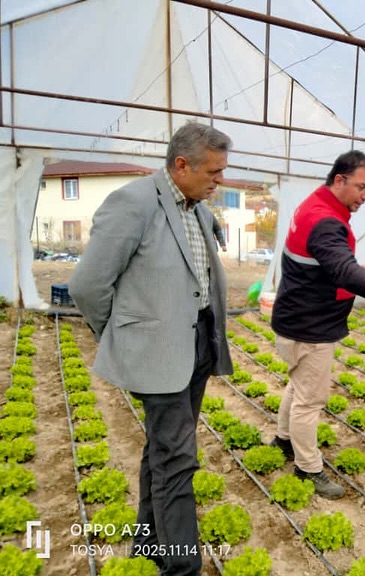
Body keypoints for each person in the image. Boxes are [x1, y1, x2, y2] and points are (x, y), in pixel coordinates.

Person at [69, 122, 234, 576]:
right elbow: (87, 285)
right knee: (178, 460)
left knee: (162, 452)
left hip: (196, 344)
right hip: (157, 352)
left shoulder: (196, 207)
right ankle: (182, 569)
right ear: (181, 165)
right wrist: (120, 333)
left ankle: (149, 546)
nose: (219, 180)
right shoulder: (134, 202)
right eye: (213, 172)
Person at [269, 150, 365, 499]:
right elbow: (342, 270)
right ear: (339, 180)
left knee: (299, 387)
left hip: (296, 318)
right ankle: (307, 467)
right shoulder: (326, 219)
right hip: (309, 326)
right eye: (361, 187)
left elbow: (328, 264)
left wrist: (353, 270)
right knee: (310, 400)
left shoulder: (314, 205)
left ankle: (283, 439)